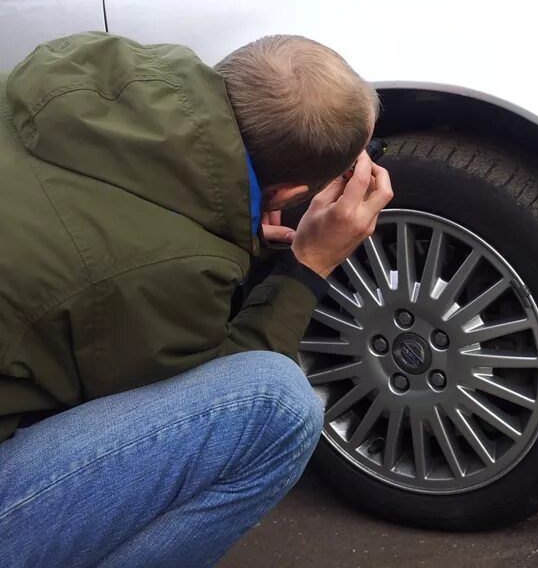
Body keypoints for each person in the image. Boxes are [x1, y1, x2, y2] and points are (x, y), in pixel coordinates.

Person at [0, 31, 392, 567]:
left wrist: (235, 224)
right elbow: (196, 406)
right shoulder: (164, 272)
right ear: (289, 195)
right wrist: (308, 266)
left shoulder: (64, 79)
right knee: (274, 406)